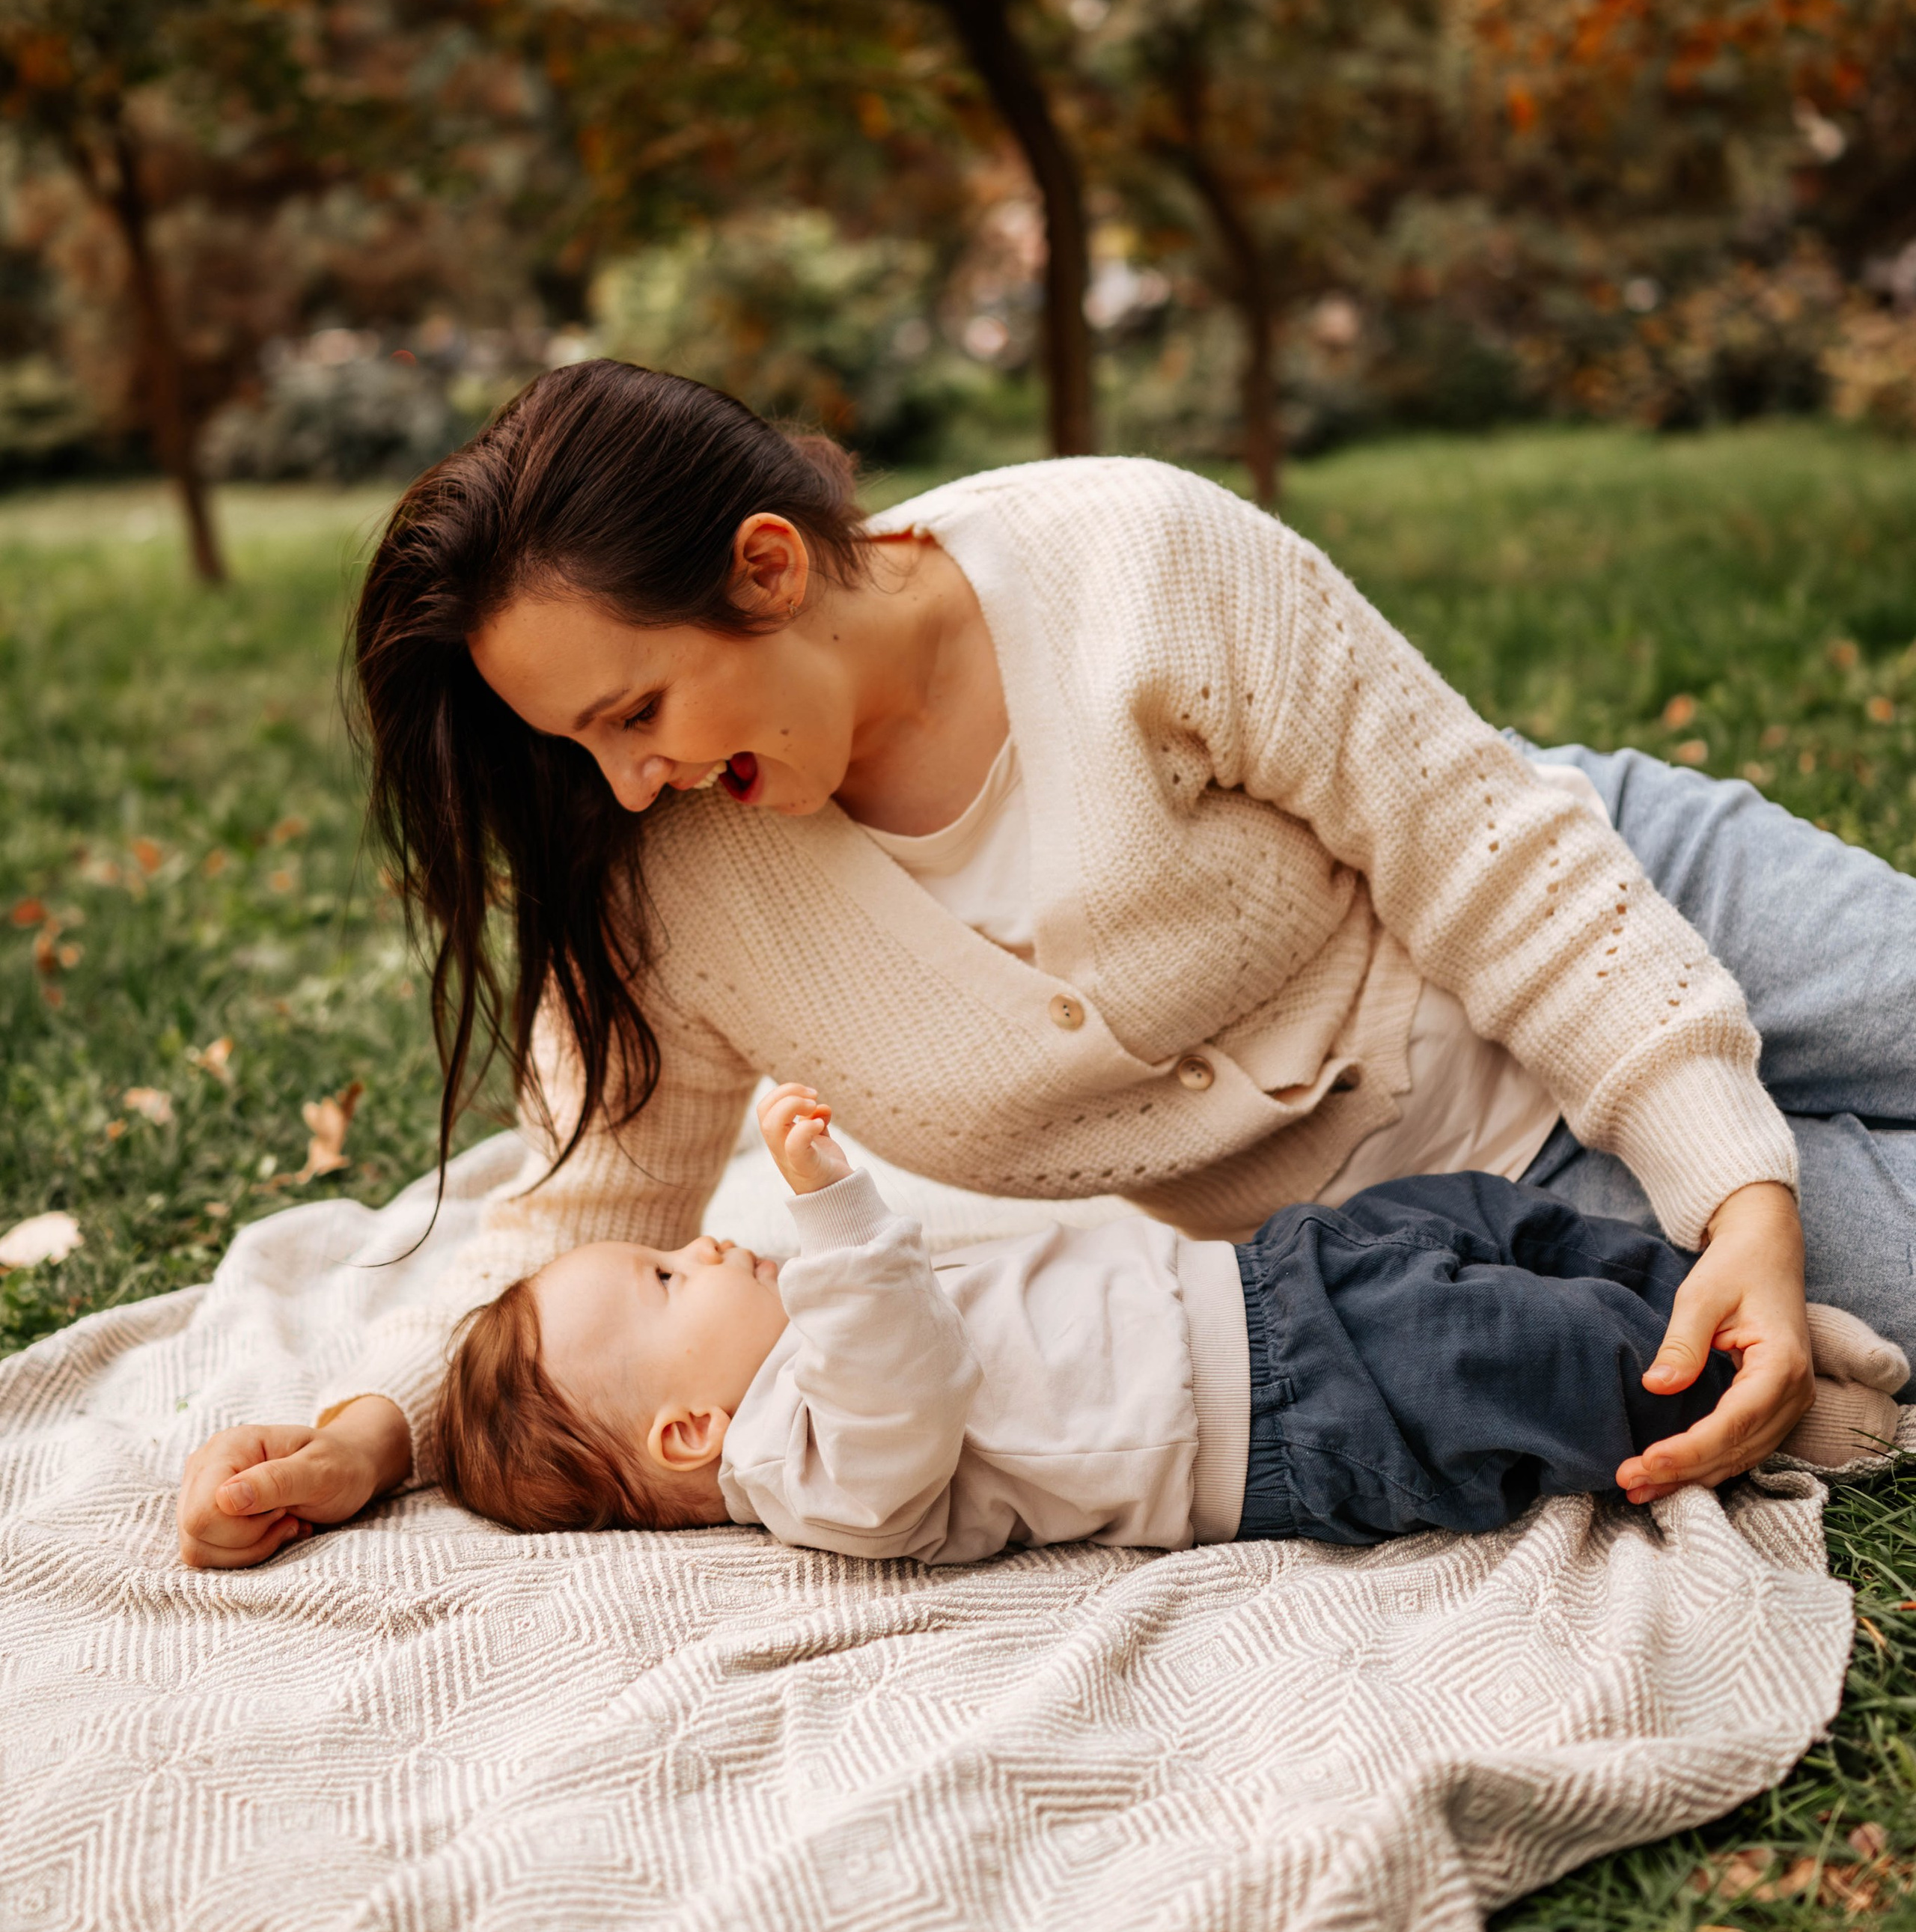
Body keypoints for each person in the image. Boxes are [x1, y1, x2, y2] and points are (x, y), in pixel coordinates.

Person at [174, 362, 1916, 1571]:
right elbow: (581, 1214)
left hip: (1600, 899)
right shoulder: (665, 882)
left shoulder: (1131, 559)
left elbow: (1483, 853)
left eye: (636, 710)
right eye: (584, 746)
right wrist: (376, 1429)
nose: (625, 779)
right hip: (1477, 1197)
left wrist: (1738, 1194)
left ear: (766, 569)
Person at [416, 1085, 1901, 1564]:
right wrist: (828, 1207)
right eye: (667, 1283)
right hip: (1281, 1413)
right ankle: (1741, 1416)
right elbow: (907, 1380)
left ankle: (1720, 1309)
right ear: (684, 1430)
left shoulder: (802, 1338)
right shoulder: (815, 1468)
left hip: (1251, 1285)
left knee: (1478, 1220)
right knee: (1509, 1353)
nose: (703, 1246)